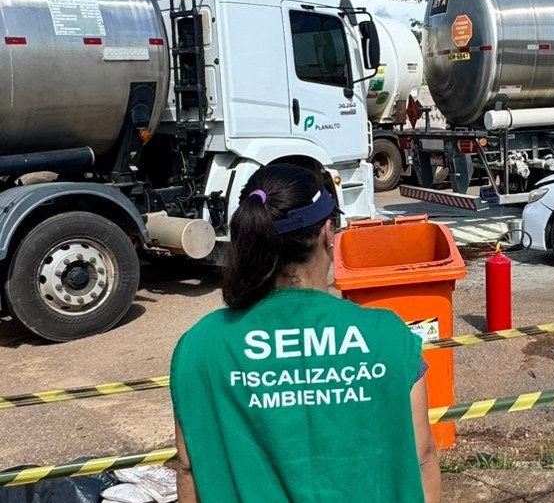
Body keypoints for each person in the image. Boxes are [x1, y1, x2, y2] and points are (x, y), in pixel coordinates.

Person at [170, 163, 440, 502]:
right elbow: (421, 457)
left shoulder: (201, 347)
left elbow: (188, 468)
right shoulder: (387, 337)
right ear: (328, 232)